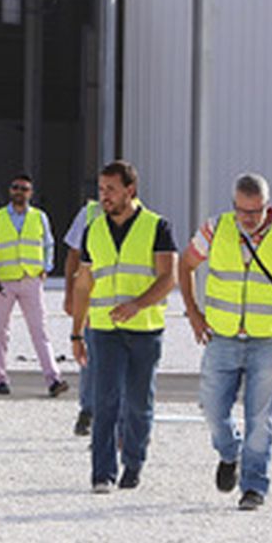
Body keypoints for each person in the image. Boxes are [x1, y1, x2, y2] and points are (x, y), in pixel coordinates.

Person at [177, 172, 272, 510]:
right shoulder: (215, 229)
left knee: (260, 417)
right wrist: (193, 313)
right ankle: (229, 452)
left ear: (268, 206)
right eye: (242, 211)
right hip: (222, 337)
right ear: (234, 205)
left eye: (255, 211)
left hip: (268, 341)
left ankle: (254, 486)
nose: (248, 219)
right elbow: (186, 263)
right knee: (212, 409)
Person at [69, 159, 177, 493]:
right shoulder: (94, 229)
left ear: (130, 190)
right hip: (103, 331)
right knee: (105, 402)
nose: (105, 196)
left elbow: (168, 278)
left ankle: (133, 462)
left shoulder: (157, 226)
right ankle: (102, 473)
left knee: (138, 404)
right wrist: (76, 332)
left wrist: (136, 305)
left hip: (145, 329)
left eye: (111, 190)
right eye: (101, 190)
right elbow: (84, 284)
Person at [0, 173, 68, 397]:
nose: (20, 192)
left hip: (30, 281)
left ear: (31, 192)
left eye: (24, 188)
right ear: (10, 191)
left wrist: (46, 268)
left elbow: (48, 244)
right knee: (0, 333)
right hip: (4, 282)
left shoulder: (39, 217)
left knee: (40, 331)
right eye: (16, 187)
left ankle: (53, 379)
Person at [62, 197, 101, 433]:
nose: (106, 194)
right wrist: (69, 294)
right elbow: (73, 256)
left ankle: (113, 420)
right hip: (92, 298)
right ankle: (87, 410)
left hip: (121, 301)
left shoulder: (141, 218)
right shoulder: (89, 214)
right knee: (90, 356)